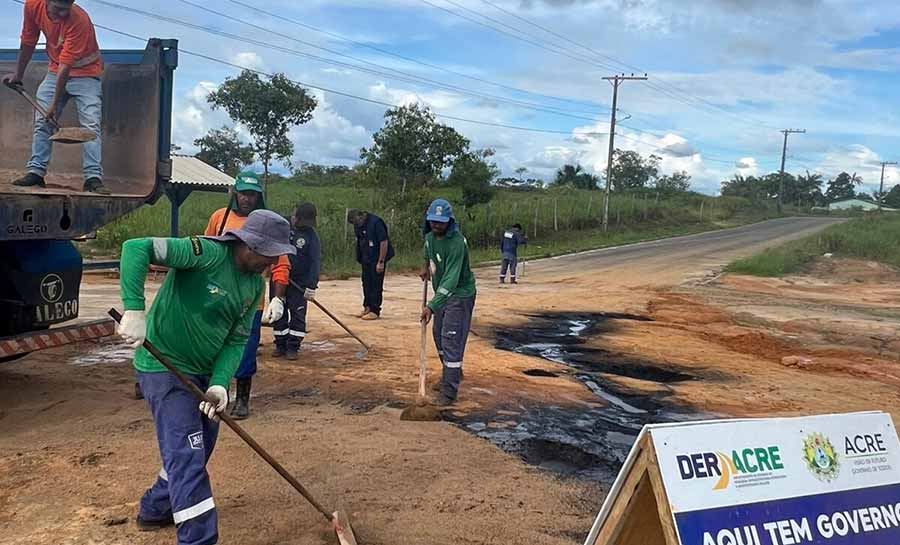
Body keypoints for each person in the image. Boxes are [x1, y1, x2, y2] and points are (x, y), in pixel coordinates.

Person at [115, 209, 295, 545]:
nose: (272, 264)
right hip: (165, 366)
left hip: (203, 374)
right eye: (270, 255)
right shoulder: (205, 253)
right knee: (187, 452)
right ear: (250, 245)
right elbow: (135, 248)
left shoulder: (254, 286)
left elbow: (236, 339)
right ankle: (199, 539)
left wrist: (219, 382)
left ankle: (155, 508)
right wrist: (134, 308)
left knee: (196, 449)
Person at [204, 170, 289, 419]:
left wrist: (278, 297)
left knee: (244, 350)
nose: (247, 199)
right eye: (243, 194)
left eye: (252, 195)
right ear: (235, 194)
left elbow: (281, 263)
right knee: (212, 347)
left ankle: (242, 398)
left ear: (259, 197)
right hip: (217, 296)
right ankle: (212, 392)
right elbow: (208, 251)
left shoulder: (268, 223)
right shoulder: (220, 218)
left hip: (250, 302)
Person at [3, 0, 109, 195]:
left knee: (91, 126)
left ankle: (93, 178)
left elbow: (66, 66)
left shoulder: (79, 20)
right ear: (46, 1)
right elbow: (28, 40)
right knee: (42, 122)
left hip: (86, 75)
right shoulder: (32, 6)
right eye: (57, 8)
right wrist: (18, 74)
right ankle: (36, 172)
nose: (61, 14)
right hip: (55, 71)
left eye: (65, 9)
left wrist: (53, 105)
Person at [419, 199, 476, 406]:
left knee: (451, 339)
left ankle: (449, 392)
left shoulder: (457, 243)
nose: (436, 225)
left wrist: (431, 306)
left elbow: (451, 280)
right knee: (438, 335)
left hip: (459, 294)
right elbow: (428, 252)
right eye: (433, 221)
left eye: (441, 222)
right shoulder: (429, 237)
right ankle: (452, 373)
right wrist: (425, 266)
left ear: (449, 221)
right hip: (442, 293)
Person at [272, 202, 321, 361]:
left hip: (299, 284)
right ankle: (280, 344)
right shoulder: (281, 226)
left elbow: (315, 262)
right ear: (296, 217)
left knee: (298, 315)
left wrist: (311, 285)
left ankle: (293, 346)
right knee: (278, 312)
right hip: (279, 279)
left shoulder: (311, 236)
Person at [347, 208, 393, 320]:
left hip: (377, 257)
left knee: (375, 283)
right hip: (366, 258)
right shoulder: (358, 224)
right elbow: (359, 240)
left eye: (356, 222)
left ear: (361, 216)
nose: (356, 225)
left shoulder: (376, 223)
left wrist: (381, 262)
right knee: (366, 283)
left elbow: (384, 241)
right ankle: (367, 307)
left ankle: (375, 310)